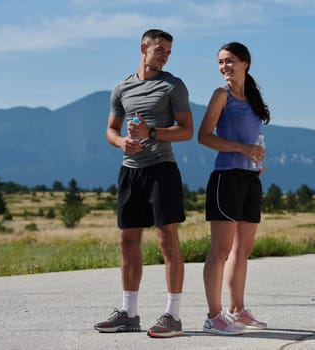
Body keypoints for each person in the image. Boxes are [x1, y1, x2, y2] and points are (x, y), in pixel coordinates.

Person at [94, 29, 193, 338]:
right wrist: (122, 141)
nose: (164, 55)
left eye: (168, 52)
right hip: (130, 172)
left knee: (167, 241)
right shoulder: (121, 88)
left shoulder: (172, 86)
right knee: (127, 242)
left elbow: (187, 130)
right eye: (160, 49)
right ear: (143, 48)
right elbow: (111, 130)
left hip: (162, 170)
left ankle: (172, 316)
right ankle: (129, 313)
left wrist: (151, 133)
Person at [198, 42, 270, 336]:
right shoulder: (221, 95)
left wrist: (257, 157)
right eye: (220, 62)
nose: (224, 67)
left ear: (245, 63)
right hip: (226, 177)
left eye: (229, 61)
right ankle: (213, 317)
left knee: (244, 249)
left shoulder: (252, 98)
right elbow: (204, 136)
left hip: (250, 178)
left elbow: (254, 136)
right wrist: (242, 148)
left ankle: (236, 310)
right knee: (221, 250)